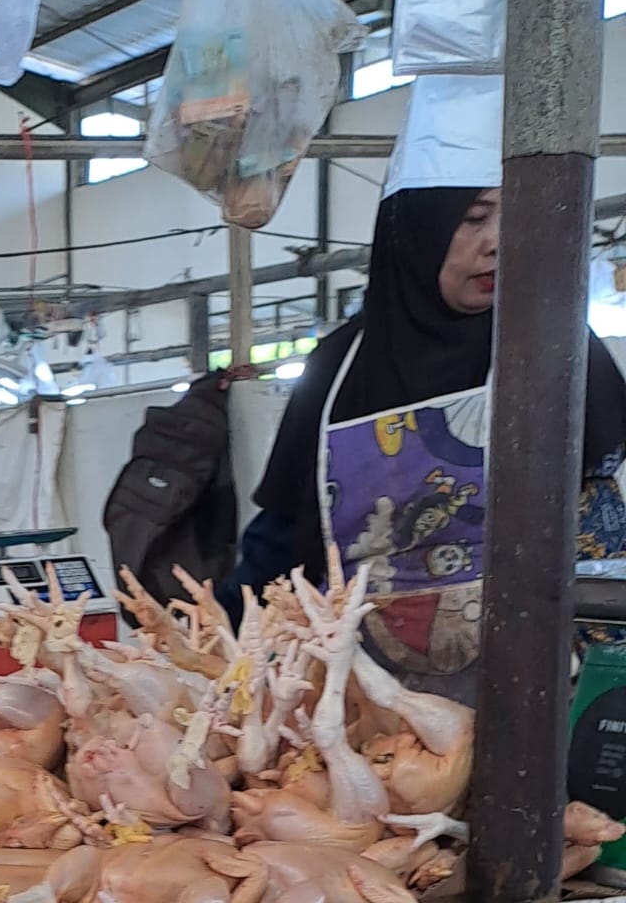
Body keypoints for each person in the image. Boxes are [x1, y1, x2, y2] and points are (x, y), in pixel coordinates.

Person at [226, 186, 626, 703]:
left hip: (527, 702)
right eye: (474, 219)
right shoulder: (338, 366)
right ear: (415, 233)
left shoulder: (556, 349)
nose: (498, 243)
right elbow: (282, 538)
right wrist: (223, 642)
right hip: (352, 700)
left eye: (517, 217)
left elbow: (601, 546)